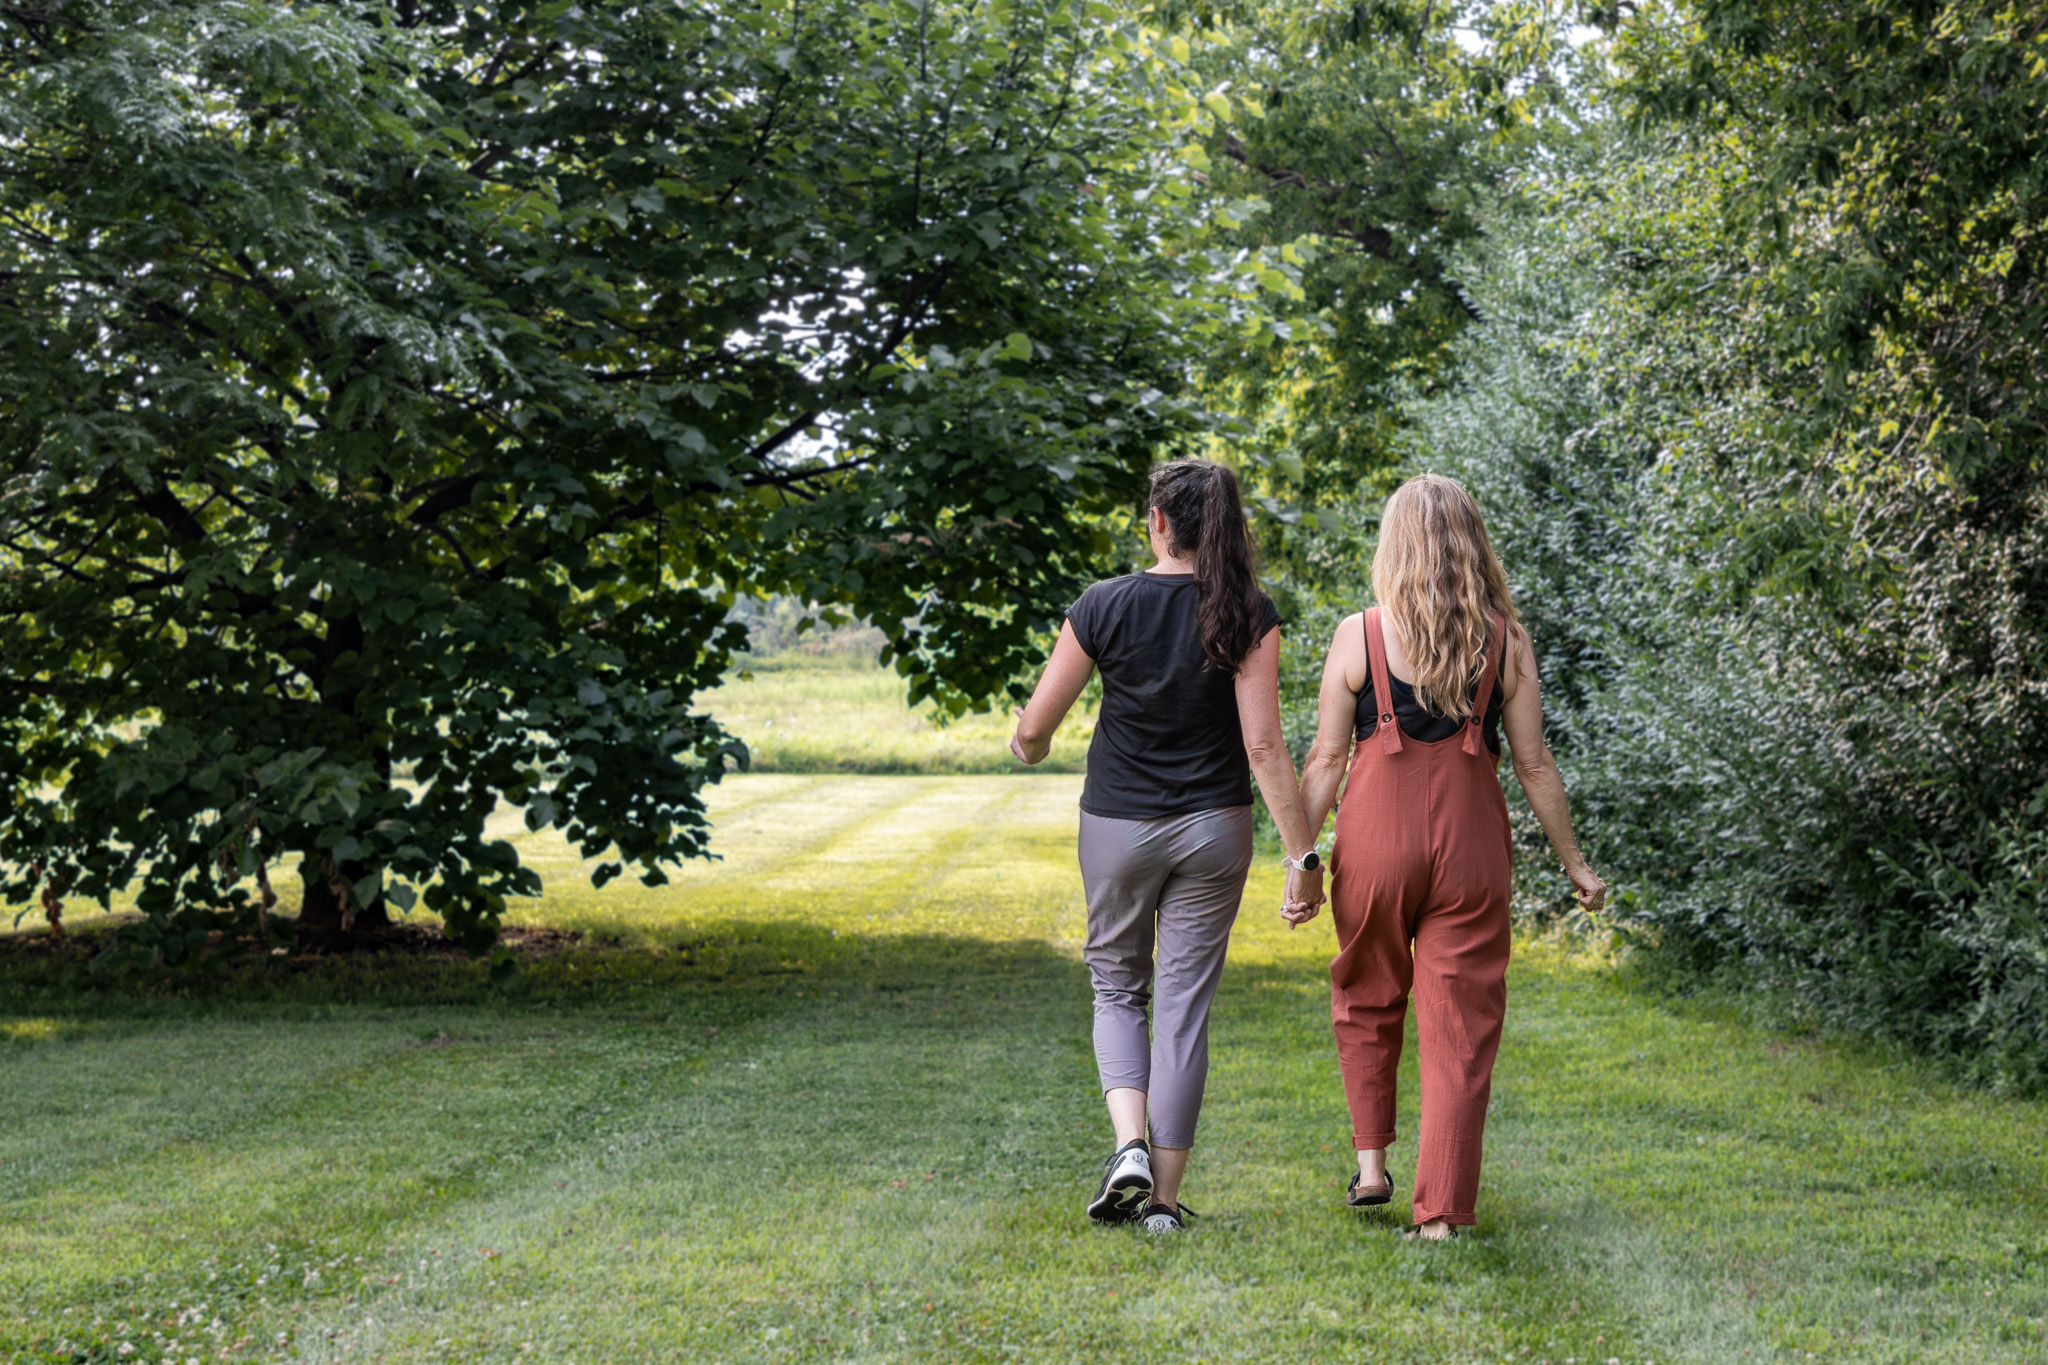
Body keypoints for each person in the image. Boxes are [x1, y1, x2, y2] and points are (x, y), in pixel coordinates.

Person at [1009, 458, 1323, 1235]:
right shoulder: (1248, 609)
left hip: (1117, 824)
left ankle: (1129, 1146)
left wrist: (1027, 747)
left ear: (1157, 521)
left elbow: (1036, 729)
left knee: (1117, 984)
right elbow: (1264, 747)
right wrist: (1302, 855)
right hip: (1216, 828)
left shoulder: (1103, 605)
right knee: (1184, 1009)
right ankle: (1164, 1204)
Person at [1290, 473, 1606, 1241]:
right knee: (1460, 1024)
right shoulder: (1506, 639)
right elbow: (1534, 765)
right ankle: (1441, 1216)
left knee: (1366, 990)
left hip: (1376, 840)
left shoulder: (1358, 634)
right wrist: (1575, 863)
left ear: (1394, 544)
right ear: (1473, 543)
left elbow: (1328, 760)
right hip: (1470, 847)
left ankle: (1371, 1165)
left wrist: (1302, 859)